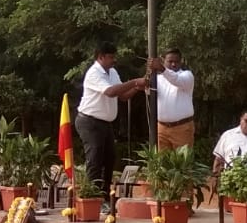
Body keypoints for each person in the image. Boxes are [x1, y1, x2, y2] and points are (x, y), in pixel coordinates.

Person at [75, 43, 147, 201]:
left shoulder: (112, 72)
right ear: (100, 57)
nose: (114, 60)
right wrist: (135, 81)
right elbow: (110, 92)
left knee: (109, 158)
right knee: (95, 158)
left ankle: (105, 197)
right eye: (110, 57)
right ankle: (91, 198)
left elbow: (122, 95)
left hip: (105, 123)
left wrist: (137, 87)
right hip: (89, 121)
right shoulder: (94, 73)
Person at [148, 47, 196, 150]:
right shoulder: (158, 79)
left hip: (182, 128)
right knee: (162, 164)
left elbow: (176, 80)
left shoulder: (187, 75)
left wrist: (161, 68)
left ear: (181, 62)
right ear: (163, 60)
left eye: (176, 62)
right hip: (162, 128)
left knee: (183, 164)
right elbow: (148, 90)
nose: (173, 64)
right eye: (170, 61)